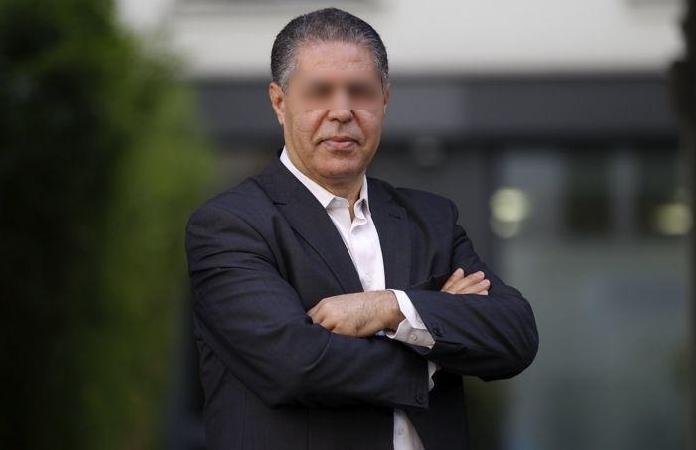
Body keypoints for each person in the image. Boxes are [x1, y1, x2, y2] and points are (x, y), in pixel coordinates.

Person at [185, 7, 538, 450]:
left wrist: (391, 308)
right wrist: (435, 345)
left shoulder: (431, 219)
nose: (342, 111)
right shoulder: (231, 226)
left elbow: (515, 334)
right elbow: (295, 365)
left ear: (384, 100)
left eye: (360, 91)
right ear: (279, 102)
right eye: (320, 91)